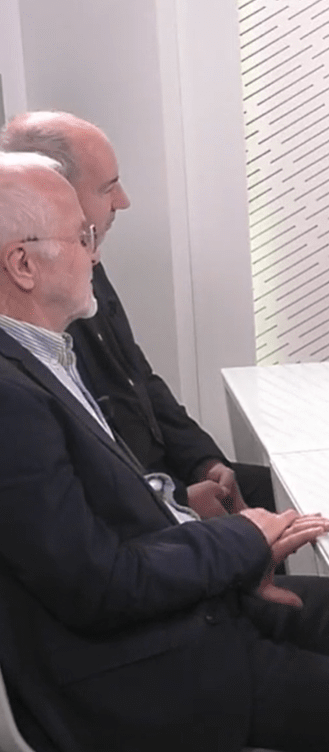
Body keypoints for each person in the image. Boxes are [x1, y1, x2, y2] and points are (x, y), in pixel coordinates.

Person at [0, 153, 329, 752]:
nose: (95, 253)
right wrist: (243, 539)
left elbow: (112, 531)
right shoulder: (11, 397)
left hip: (159, 625)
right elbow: (96, 583)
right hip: (133, 672)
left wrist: (238, 552)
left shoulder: (44, 359)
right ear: (23, 264)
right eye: (83, 237)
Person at [0, 111, 271, 518]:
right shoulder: (40, 315)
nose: (123, 201)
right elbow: (91, 476)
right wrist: (178, 504)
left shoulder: (87, 270)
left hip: (160, 482)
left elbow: (139, 379)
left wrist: (203, 460)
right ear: (54, 189)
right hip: (140, 503)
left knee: (291, 490)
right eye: (107, 187)